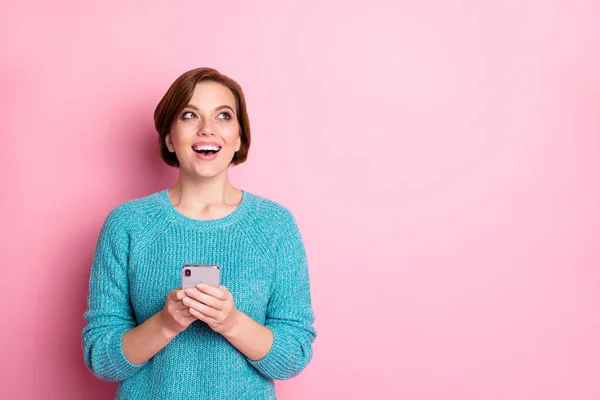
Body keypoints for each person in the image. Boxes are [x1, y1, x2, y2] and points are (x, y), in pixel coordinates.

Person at [82, 67, 317, 399]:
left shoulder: (274, 225)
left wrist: (231, 322)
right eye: (190, 115)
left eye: (223, 116)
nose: (207, 129)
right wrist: (165, 323)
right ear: (169, 138)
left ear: (239, 137)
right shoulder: (127, 224)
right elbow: (101, 359)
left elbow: (293, 355)